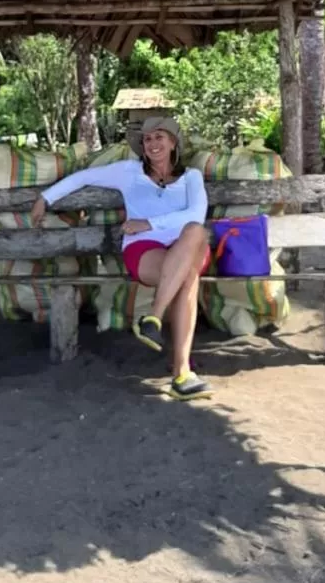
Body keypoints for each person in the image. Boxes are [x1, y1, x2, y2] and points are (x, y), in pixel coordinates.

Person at [30, 117, 212, 400]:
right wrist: (46, 197)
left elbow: (196, 214)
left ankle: (154, 317)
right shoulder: (129, 172)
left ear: (173, 142)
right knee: (187, 277)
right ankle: (182, 374)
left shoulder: (191, 177)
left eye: (159, 137)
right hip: (146, 250)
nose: (152, 144)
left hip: (187, 245)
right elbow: (84, 178)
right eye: (147, 139)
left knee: (195, 230)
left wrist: (148, 222)